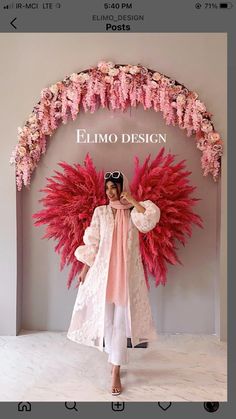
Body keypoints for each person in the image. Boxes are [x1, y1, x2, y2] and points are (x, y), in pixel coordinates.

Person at [67, 171, 161, 396]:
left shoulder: (133, 213)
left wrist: (132, 201)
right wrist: (84, 270)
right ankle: (113, 358)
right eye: (107, 188)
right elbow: (93, 243)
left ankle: (116, 370)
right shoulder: (100, 212)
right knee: (106, 319)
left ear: (122, 188)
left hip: (125, 276)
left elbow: (149, 219)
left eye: (114, 187)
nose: (110, 192)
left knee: (120, 321)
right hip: (104, 274)